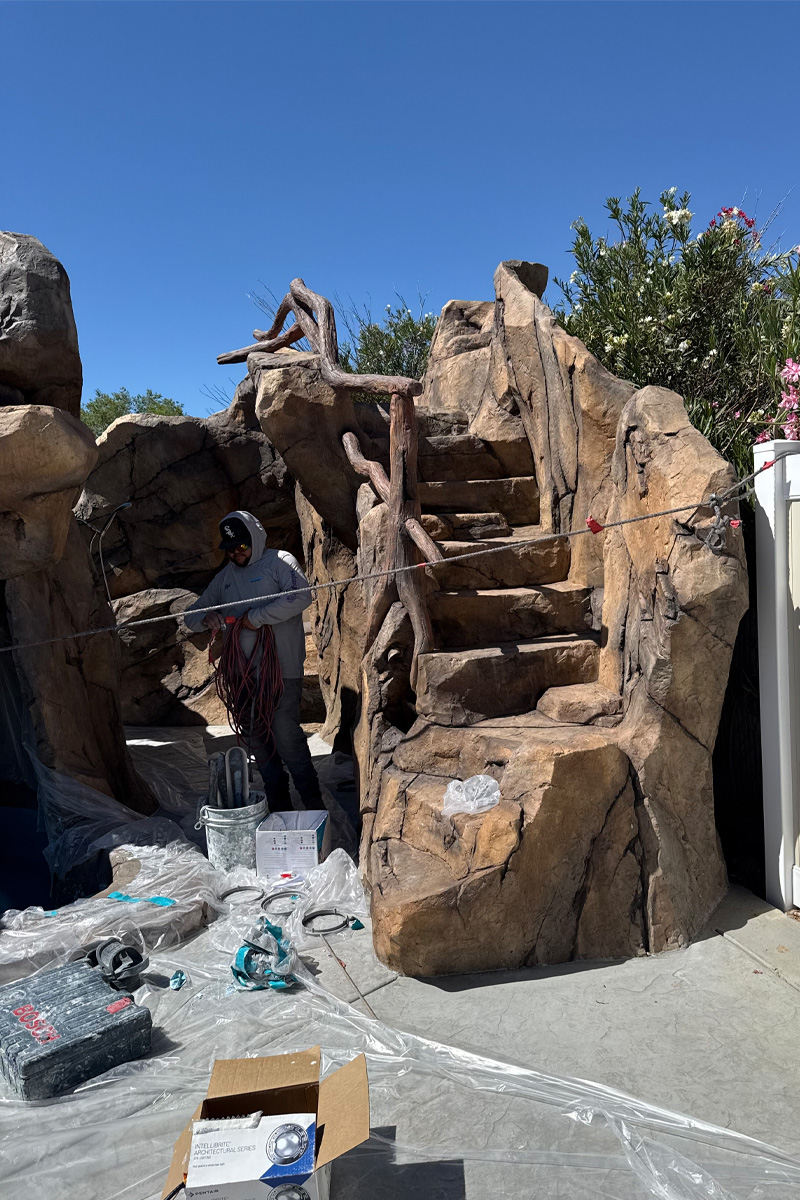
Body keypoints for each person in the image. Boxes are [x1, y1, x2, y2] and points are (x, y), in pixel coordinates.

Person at [183, 510, 321, 811]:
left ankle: (313, 802)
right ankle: (279, 806)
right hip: (242, 673)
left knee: (285, 733)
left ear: (255, 541)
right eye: (230, 549)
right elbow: (189, 615)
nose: (236, 553)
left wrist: (256, 618)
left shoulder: (279, 562)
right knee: (257, 738)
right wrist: (208, 617)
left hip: (281, 669)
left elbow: (301, 596)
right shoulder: (226, 578)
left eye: (242, 547)